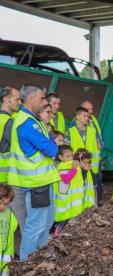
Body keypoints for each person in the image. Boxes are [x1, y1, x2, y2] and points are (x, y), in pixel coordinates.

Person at [8, 84, 60, 261]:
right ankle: (26, 263)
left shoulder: (31, 120)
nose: (45, 102)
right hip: (36, 183)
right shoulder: (27, 123)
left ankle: (37, 259)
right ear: (31, 99)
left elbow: (49, 145)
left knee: (44, 225)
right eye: (42, 98)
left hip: (40, 181)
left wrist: (51, 144)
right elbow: (52, 150)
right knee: (35, 227)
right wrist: (53, 145)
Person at [66, 107, 101, 203]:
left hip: (91, 167)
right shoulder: (70, 132)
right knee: (78, 189)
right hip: (77, 167)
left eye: (88, 116)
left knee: (93, 189)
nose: (87, 118)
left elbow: (99, 145)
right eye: (84, 116)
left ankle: (94, 208)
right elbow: (67, 149)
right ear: (77, 117)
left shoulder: (93, 131)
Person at [54, 145, 85, 233]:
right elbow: (66, 179)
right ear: (60, 157)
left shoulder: (69, 164)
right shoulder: (62, 167)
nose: (71, 158)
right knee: (63, 220)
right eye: (68, 156)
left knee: (70, 219)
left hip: (72, 200)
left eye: (72, 155)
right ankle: (57, 232)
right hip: (65, 201)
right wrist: (74, 169)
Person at [80, 100, 103, 205]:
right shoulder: (75, 123)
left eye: (92, 109)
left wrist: (101, 145)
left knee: (97, 183)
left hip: (95, 160)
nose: (91, 111)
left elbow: (98, 136)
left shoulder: (93, 120)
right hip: (83, 160)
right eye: (88, 109)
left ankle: (97, 203)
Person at [0, 87, 21, 184]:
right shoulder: (9, 122)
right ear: (6, 100)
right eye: (17, 99)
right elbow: (19, 147)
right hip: (4, 177)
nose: (20, 103)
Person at [0, 184, 18, 275]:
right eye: (0, 202)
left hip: (6, 248)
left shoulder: (9, 213)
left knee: (5, 268)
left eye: (5, 204)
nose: (2, 206)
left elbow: (14, 226)